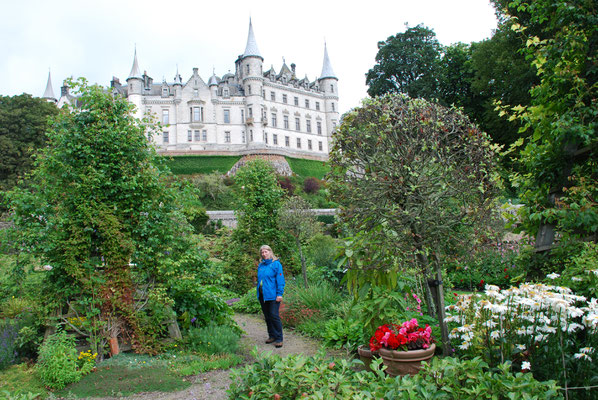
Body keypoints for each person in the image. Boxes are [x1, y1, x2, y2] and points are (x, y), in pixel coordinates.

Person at [256, 244, 285, 348]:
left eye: (266, 252)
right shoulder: (261, 265)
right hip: (262, 295)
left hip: (273, 295)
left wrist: (279, 294)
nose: (264, 254)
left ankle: (279, 338)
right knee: (267, 317)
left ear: (270, 252)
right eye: (262, 252)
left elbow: (280, 280)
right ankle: (272, 336)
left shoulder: (276, 264)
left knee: (274, 316)